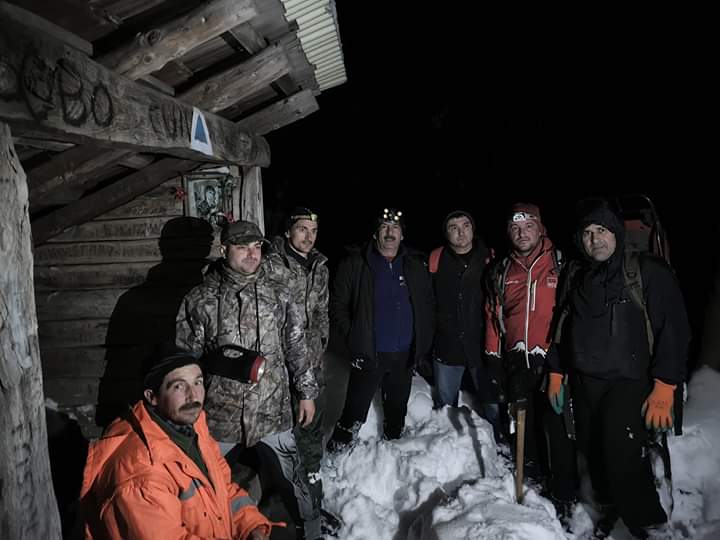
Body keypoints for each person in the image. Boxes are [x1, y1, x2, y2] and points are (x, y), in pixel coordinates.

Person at [546, 200, 690, 539]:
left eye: (602, 230)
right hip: (584, 382)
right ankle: (608, 504)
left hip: (629, 381)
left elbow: (674, 329)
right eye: (587, 233)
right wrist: (556, 370)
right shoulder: (576, 274)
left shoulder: (646, 270)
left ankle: (648, 521)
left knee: (620, 450)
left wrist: (665, 384)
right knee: (592, 448)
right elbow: (562, 326)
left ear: (616, 233)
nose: (595, 239)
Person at [176, 220, 321, 540]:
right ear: (223, 249)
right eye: (242, 247)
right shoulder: (201, 299)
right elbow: (184, 361)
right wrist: (186, 411)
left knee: (294, 482)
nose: (252, 254)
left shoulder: (278, 293)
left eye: (257, 247)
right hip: (220, 417)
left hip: (273, 411)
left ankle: (312, 532)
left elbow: (296, 346)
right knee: (204, 482)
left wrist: (307, 392)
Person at [80, 350, 273, 539]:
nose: (193, 396)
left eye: (197, 382)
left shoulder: (193, 428)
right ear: (152, 397)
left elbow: (223, 489)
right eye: (179, 386)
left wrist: (251, 527)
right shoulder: (140, 476)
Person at [484, 202, 577, 514]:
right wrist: (493, 357)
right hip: (517, 359)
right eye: (515, 228)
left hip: (553, 361)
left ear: (540, 228)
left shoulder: (560, 264)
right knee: (525, 423)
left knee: (558, 428)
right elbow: (492, 316)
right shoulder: (501, 270)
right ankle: (533, 480)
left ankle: (565, 494)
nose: (522, 233)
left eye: (528, 226)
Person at [328, 208, 434, 449]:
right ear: (375, 234)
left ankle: (391, 450)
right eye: (384, 227)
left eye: (395, 228)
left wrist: (422, 342)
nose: (390, 232)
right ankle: (337, 453)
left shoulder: (414, 265)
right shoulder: (356, 263)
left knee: (397, 410)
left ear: (402, 235)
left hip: (404, 356)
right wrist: (354, 337)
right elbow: (337, 305)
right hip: (368, 353)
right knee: (353, 412)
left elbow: (427, 304)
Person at [269, 207, 341, 536]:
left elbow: (322, 310)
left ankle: (312, 501)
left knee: (312, 431)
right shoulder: (273, 264)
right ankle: (289, 508)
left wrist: (320, 344)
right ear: (288, 232)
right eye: (302, 229)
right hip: (281, 368)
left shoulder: (319, 266)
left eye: (313, 231)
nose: (308, 236)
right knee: (287, 438)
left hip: (312, 366)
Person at [429, 210, 499, 428]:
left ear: (473, 229)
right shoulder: (436, 259)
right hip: (447, 345)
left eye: (465, 226)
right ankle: (447, 442)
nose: (461, 232)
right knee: (445, 409)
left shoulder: (490, 258)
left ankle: (499, 440)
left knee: (493, 405)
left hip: (483, 346)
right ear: (446, 233)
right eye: (454, 227)